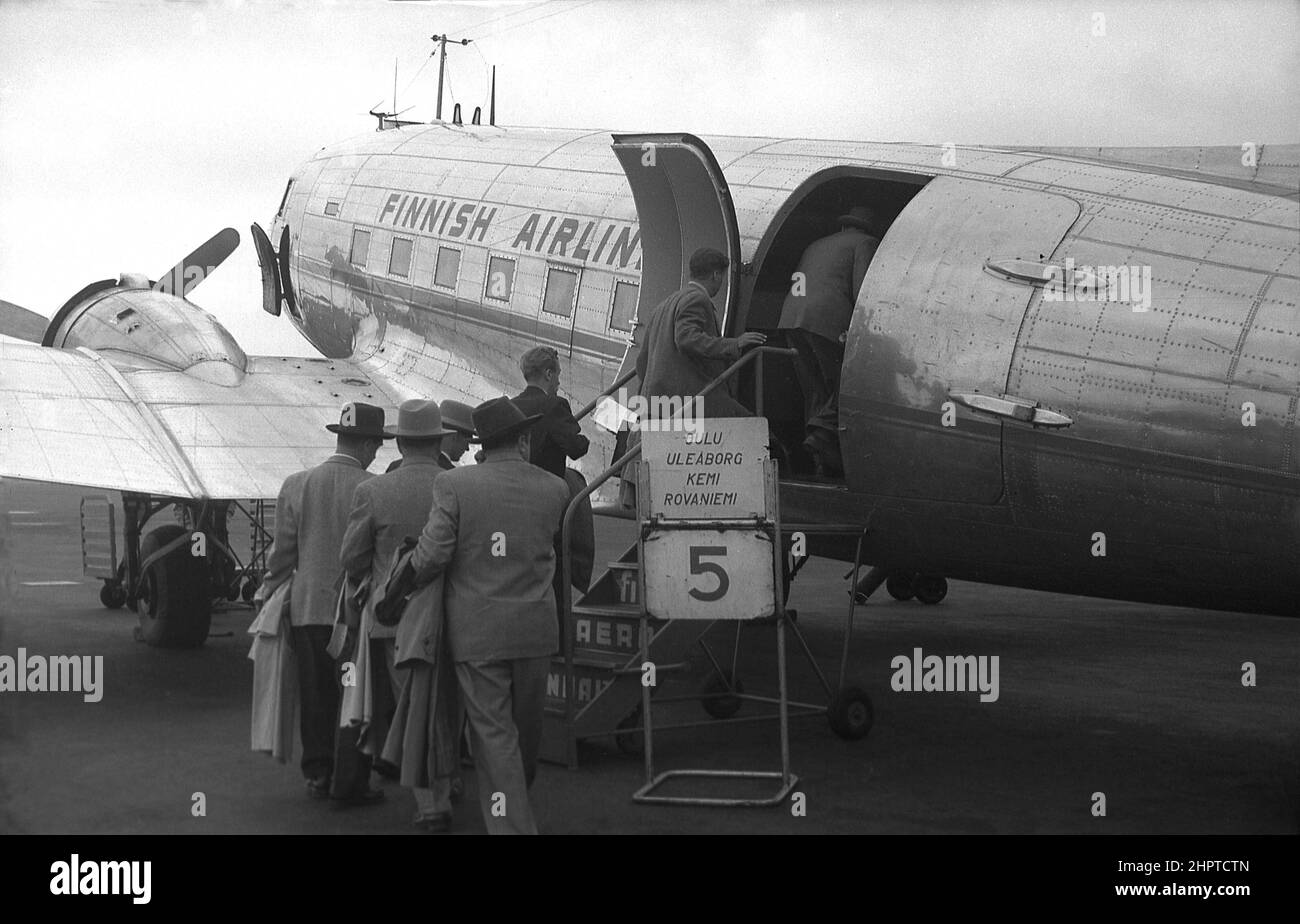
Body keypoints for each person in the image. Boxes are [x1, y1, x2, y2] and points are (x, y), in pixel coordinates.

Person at [410, 397, 569, 835]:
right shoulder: (556, 489)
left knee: (495, 736)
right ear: (521, 440)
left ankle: (513, 820)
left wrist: (408, 572)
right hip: (536, 632)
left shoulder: (455, 486)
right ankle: (513, 816)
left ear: (484, 443)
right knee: (524, 734)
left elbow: (434, 555)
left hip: (477, 633)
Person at [340, 399, 459, 831]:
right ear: (438, 440)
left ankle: (432, 804)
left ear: (401, 442)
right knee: (447, 704)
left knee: (414, 710)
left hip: (394, 619)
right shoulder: (458, 483)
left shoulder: (373, 491)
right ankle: (449, 780)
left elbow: (351, 557)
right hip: (451, 615)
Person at [262, 402, 389, 804]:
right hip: (354, 613)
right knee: (355, 695)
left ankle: (318, 772)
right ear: (367, 444)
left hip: (307, 609)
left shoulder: (296, 484)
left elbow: (282, 556)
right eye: (376, 445)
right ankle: (350, 780)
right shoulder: (373, 487)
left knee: (315, 696)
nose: (375, 453)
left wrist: (269, 592)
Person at [777, 205, 880, 477]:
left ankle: (819, 462)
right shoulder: (866, 243)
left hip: (792, 318)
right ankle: (822, 441)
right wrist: (857, 328)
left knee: (813, 391)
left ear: (844, 226)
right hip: (828, 321)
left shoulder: (816, 244)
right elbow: (862, 289)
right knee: (842, 388)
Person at [635, 247, 766, 423]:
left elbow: (642, 360)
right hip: (686, 400)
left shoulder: (665, 304)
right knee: (751, 427)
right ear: (716, 275)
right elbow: (687, 338)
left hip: (656, 400)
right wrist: (735, 344)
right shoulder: (696, 299)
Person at [511, 346, 589, 479]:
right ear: (548, 374)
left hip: (514, 481)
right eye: (558, 375)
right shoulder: (555, 405)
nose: (558, 382)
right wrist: (585, 440)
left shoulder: (510, 405)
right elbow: (576, 448)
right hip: (543, 487)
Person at [437, 400, 476, 470]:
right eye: (467, 442)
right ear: (455, 436)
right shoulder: (451, 475)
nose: (467, 448)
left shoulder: (417, 460)